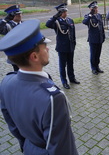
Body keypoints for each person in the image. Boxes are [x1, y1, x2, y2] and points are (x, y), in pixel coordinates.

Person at [0, 20, 78, 155]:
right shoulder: (53, 99)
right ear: (34, 56)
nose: (48, 48)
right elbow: (62, 147)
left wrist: (28, 145)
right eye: (44, 46)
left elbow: (12, 124)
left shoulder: (6, 81)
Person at [46, 3, 80, 89]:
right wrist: (55, 17)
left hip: (70, 46)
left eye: (66, 11)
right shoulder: (56, 22)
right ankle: (64, 81)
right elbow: (48, 24)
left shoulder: (70, 20)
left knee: (70, 64)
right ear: (60, 13)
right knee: (62, 65)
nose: (66, 13)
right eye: (64, 11)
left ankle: (72, 78)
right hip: (62, 47)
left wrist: (74, 43)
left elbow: (73, 34)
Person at [82, 1, 105, 75]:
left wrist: (103, 35)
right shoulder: (88, 16)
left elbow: (101, 27)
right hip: (93, 39)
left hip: (99, 38)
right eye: (94, 8)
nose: (96, 9)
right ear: (91, 9)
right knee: (93, 54)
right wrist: (90, 15)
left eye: (96, 7)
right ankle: (93, 68)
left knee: (98, 54)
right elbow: (85, 22)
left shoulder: (99, 15)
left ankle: (97, 66)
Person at [0, 5, 23, 71]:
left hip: (26, 52)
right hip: (15, 54)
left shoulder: (24, 24)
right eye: (17, 14)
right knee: (18, 72)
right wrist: (5, 20)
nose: (20, 15)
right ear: (12, 16)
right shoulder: (7, 25)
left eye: (20, 13)